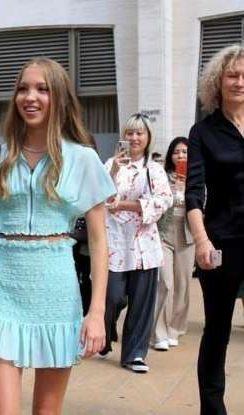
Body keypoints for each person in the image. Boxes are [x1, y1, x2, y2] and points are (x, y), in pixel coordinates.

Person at [0, 57, 115, 415]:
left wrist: (97, 312)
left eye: (42, 89)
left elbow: (100, 241)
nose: (30, 97)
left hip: (58, 293)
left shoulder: (83, 158)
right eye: (23, 88)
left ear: (60, 97)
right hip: (4, 293)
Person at [186, 44, 244, 415]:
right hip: (222, 241)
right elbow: (193, 194)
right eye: (232, 75)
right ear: (217, 82)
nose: (239, 82)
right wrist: (201, 241)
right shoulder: (203, 132)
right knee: (217, 331)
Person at [101, 113, 173, 373]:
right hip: (114, 243)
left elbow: (164, 200)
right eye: (129, 133)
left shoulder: (154, 169)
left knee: (142, 303)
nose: (133, 138)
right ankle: (105, 330)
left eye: (139, 133)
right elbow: (100, 197)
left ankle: (134, 355)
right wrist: (114, 172)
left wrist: (125, 205)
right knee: (112, 297)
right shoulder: (110, 164)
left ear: (148, 137)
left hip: (145, 245)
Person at [152, 137, 195, 351]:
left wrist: (186, 188)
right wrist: (172, 188)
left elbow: (203, 204)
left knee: (183, 285)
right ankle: (158, 333)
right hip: (164, 234)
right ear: (171, 155)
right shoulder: (162, 176)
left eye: (185, 152)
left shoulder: (197, 178)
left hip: (188, 235)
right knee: (165, 283)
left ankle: (175, 329)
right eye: (177, 152)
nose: (181, 156)